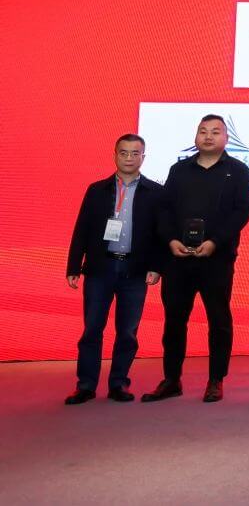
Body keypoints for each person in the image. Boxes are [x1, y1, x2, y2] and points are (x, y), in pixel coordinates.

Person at [142, 115, 249, 404]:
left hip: (217, 259)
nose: (208, 136)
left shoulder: (238, 171)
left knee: (219, 320)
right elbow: (164, 210)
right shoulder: (179, 170)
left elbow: (241, 213)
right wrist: (171, 240)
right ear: (196, 137)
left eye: (215, 132)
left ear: (226, 138)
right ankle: (171, 379)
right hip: (178, 259)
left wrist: (215, 242)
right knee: (174, 321)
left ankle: (216, 380)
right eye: (203, 131)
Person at [65, 134, 166, 404]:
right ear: (115, 155)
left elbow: (160, 235)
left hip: (135, 270)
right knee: (92, 330)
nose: (129, 158)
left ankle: (119, 383)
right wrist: (73, 265)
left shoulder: (156, 192)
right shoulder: (96, 190)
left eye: (135, 153)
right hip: (100, 269)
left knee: (127, 332)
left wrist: (156, 267)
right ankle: (86, 385)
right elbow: (82, 229)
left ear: (143, 157)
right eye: (124, 152)